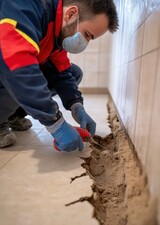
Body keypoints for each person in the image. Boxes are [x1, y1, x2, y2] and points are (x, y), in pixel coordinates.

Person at [0, 0, 118, 151]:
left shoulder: (57, 32)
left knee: (74, 73)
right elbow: (18, 66)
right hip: (8, 66)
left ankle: (12, 115)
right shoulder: (25, 6)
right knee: (19, 75)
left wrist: (75, 104)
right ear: (71, 14)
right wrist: (55, 122)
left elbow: (62, 71)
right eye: (87, 34)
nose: (85, 42)